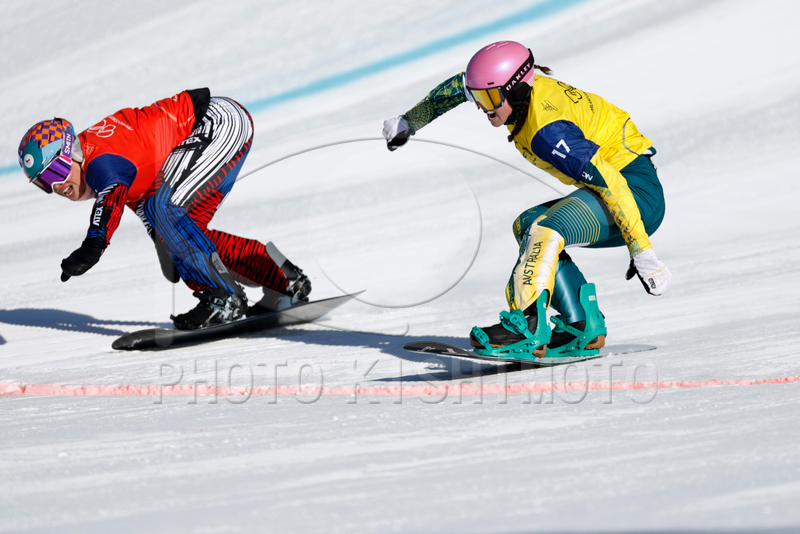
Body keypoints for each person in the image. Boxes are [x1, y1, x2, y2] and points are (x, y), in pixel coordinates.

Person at [382, 41, 671, 358]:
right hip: (624, 189)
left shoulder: (548, 131)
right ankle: (582, 325)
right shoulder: (518, 91)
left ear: (517, 90)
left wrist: (642, 252)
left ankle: (528, 326)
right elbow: (455, 89)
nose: (482, 107)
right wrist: (409, 122)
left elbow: (611, 184)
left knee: (546, 228)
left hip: (634, 194)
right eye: (477, 97)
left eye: (489, 98)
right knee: (527, 224)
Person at [18, 88, 311, 330]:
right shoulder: (103, 169)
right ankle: (285, 282)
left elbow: (111, 198)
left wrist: (93, 244)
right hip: (214, 126)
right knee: (180, 234)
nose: (58, 186)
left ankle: (225, 297)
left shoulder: (100, 162)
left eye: (56, 170)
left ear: (72, 152)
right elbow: (162, 227)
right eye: (44, 183)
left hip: (217, 121)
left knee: (163, 209)